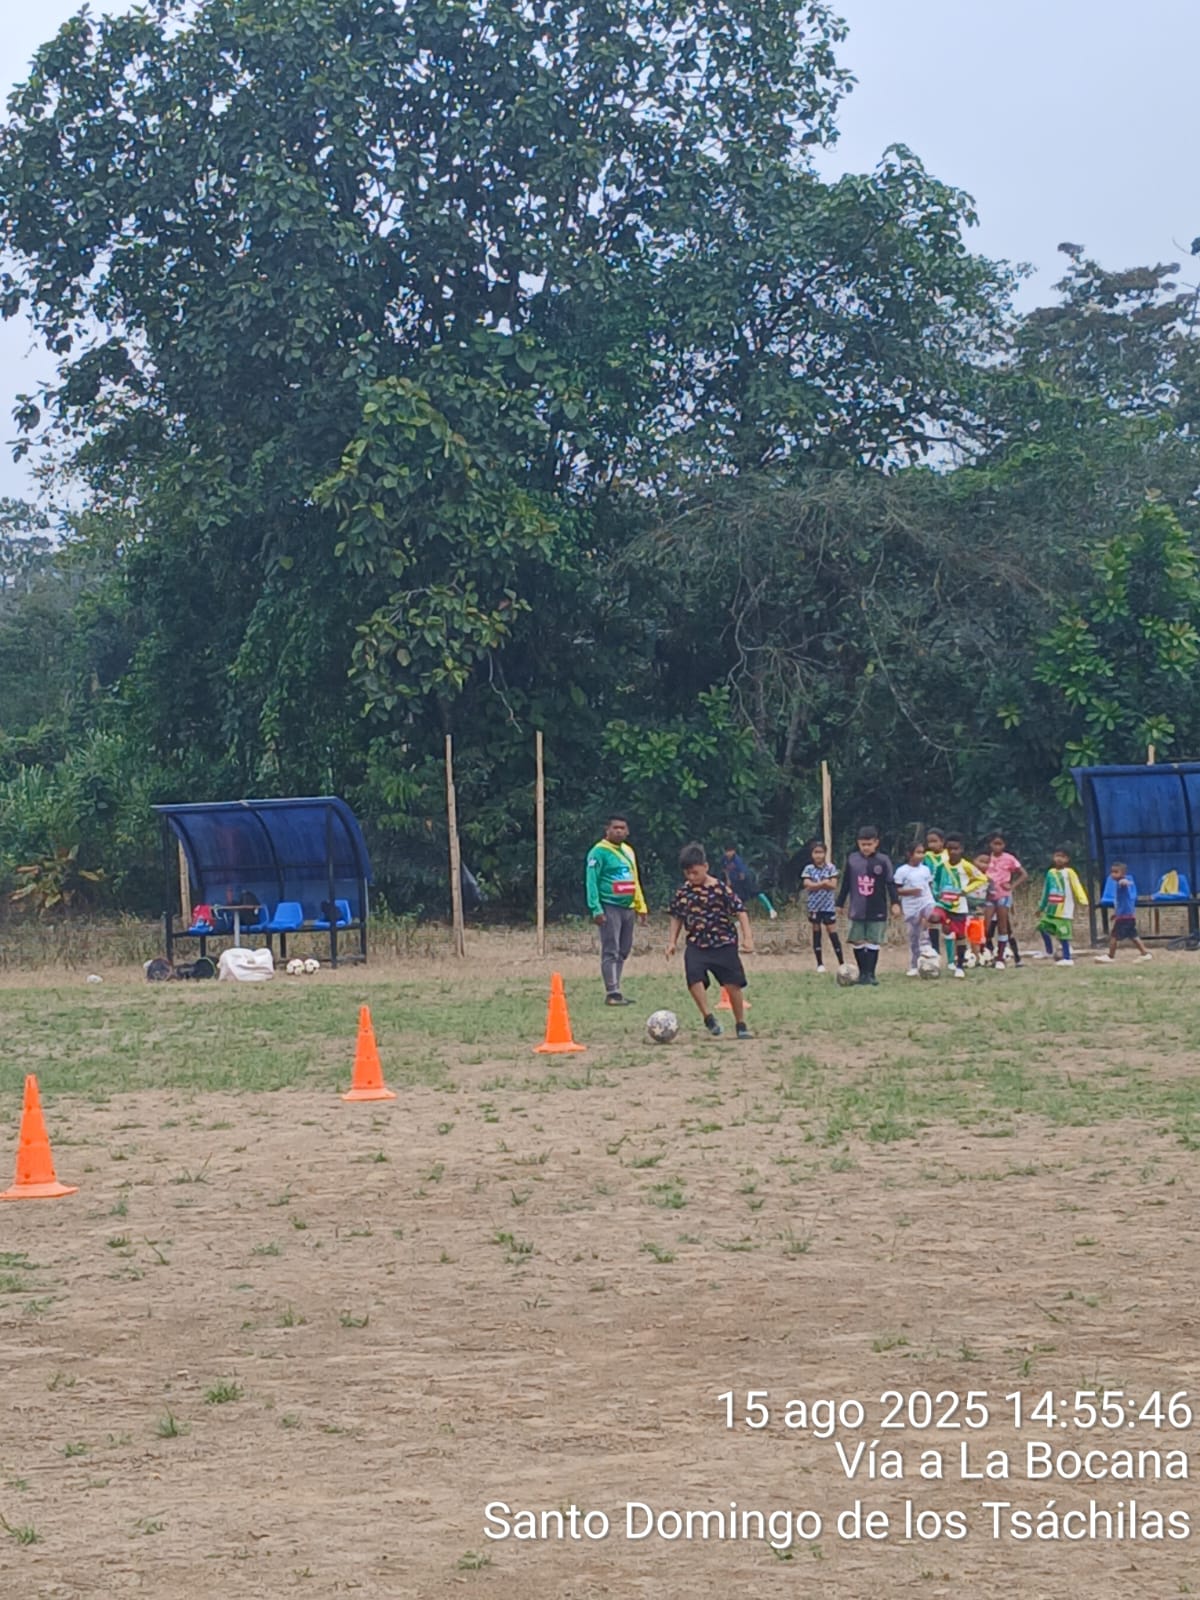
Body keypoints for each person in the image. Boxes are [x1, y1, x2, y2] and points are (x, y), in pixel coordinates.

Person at [666, 842, 755, 1038]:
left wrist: (748, 938)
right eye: (687, 874)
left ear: (705, 867)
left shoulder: (720, 889)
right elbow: (676, 916)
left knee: (732, 985)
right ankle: (708, 1017)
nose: (691, 877)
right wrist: (672, 941)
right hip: (697, 944)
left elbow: (741, 911)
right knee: (693, 979)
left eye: (695, 873)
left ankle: (740, 1024)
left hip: (723, 944)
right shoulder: (683, 892)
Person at [585, 814, 648, 1005]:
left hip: (628, 907)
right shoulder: (598, 852)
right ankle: (612, 992)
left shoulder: (628, 851)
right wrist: (596, 908)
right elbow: (591, 881)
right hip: (609, 905)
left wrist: (641, 905)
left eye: (622, 828)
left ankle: (617, 988)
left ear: (627, 831)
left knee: (624, 949)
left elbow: (635, 879)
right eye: (615, 828)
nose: (619, 831)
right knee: (611, 949)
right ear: (607, 830)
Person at [835, 825, 901, 986]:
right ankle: (862, 972)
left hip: (877, 907)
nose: (866, 847)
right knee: (858, 941)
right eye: (862, 844)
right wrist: (839, 903)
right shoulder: (852, 859)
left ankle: (870, 974)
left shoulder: (883, 861)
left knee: (873, 940)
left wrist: (895, 903)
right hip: (857, 909)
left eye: (869, 844)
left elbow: (890, 883)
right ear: (858, 843)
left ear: (876, 843)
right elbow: (846, 883)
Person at [930, 835, 988, 978]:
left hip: (959, 906)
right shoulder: (942, 866)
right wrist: (937, 894)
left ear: (961, 849)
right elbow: (934, 881)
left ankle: (960, 966)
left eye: (955, 849)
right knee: (934, 917)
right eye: (949, 849)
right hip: (943, 903)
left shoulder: (966, 866)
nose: (952, 852)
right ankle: (935, 951)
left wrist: (965, 890)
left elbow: (982, 878)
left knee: (960, 936)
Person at [1033, 847, 1088, 965]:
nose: (1059, 859)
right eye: (1057, 856)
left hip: (1064, 910)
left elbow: (1077, 886)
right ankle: (1049, 951)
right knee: (1042, 927)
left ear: (1067, 859)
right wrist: (1041, 907)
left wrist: (1083, 900)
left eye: (1062, 857)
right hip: (1052, 909)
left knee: (1064, 934)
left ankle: (1067, 958)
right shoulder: (1050, 873)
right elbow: (1046, 891)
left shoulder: (1069, 872)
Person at [982, 832, 1027, 969]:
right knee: (985, 926)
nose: (997, 847)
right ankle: (986, 954)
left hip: (1003, 896)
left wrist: (1012, 886)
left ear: (1004, 845)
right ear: (990, 844)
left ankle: (1000, 958)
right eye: (994, 844)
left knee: (1003, 927)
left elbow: (1024, 874)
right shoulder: (986, 858)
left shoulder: (1009, 858)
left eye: (1000, 844)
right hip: (989, 897)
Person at [1094, 863, 1152, 964]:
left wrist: (1124, 882)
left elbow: (1123, 883)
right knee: (1133, 936)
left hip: (1124, 918)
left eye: (1116, 872)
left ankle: (1110, 956)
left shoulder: (1121, 883)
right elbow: (1121, 904)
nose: (1113, 874)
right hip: (1127, 917)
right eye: (1112, 872)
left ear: (1123, 873)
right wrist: (1116, 914)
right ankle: (1145, 954)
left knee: (1114, 936)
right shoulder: (1118, 885)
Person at [894, 839, 936, 976]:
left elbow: (929, 886)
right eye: (918, 852)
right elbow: (897, 890)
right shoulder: (902, 871)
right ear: (909, 854)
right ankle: (914, 965)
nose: (921, 855)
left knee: (929, 915)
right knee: (913, 937)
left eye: (923, 852)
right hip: (911, 907)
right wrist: (911, 892)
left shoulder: (925, 869)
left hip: (926, 901)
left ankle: (926, 944)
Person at [800, 841, 843, 973]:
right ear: (812, 854)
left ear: (825, 853)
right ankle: (819, 963)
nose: (818, 855)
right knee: (816, 931)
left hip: (828, 906)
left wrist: (817, 884)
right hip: (814, 906)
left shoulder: (830, 868)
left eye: (821, 852)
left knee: (832, 932)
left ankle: (841, 962)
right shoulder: (808, 869)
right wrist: (823, 883)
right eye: (815, 852)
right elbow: (807, 885)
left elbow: (833, 885)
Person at [721, 844, 778, 919]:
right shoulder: (724, 859)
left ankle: (771, 909)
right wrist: (728, 879)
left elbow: (742, 874)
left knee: (757, 893)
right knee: (738, 898)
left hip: (746, 879)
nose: (728, 853)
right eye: (726, 851)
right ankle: (741, 917)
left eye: (729, 851)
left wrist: (741, 885)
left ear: (733, 851)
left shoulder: (737, 860)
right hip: (735, 881)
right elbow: (725, 870)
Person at [922, 828, 949, 955]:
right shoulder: (926, 856)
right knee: (932, 919)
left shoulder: (948, 855)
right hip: (930, 892)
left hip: (947, 892)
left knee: (949, 921)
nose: (932, 845)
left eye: (935, 841)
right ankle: (935, 948)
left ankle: (953, 951)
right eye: (929, 842)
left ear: (942, 841)